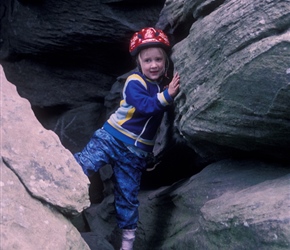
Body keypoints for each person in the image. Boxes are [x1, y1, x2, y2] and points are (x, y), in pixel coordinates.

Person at [74, 27, 180, 250]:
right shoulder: (134, 82)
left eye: (158, 59)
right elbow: (145, 106)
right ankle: (59, 180)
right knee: (85, 164)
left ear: (165, 60)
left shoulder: (160, 86)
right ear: (139, 62)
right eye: (148, 60)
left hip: (135, 153)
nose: (153, 65)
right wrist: (167, 95)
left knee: (128, 197)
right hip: (111, 138)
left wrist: (166, 93)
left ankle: (127, 245)